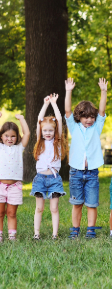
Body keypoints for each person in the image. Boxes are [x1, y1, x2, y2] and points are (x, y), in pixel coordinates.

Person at [65, 77, 108, 239]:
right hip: (76, 172)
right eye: (85, 117)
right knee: (77, 204)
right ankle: (75, 230)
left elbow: (102, 110)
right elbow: (68, 111)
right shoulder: (74, 128)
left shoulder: (96, 127)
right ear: (79, 117)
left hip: (92, 173)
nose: (89, 120)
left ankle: (91, 230)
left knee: (91, 204)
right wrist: (68, 91)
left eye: (91, 117)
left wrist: (103, 91)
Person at [30, 94, 67, 240]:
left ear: (55, 131)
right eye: (45, 131)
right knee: (39, 208)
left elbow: (58, 119)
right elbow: (39, 120)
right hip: (40, 179)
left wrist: (54, 103)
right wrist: (45, 104)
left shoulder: (57, 141)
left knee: (54, 208)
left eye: (50, 131)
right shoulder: (40, 141)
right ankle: (36, 233)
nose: (47, 133)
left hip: (54, 179)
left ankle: (54, 234)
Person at [0, 111, 30, 241]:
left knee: (11, 213)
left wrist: (22, 119)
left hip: (15, 187)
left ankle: (12, 238)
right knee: (0, 213)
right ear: (1, 136)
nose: (10, 139)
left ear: (17, 137)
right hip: (1, 185)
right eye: (6, 136)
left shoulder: (19, 148)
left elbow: (27, 133)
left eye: (13, 136)